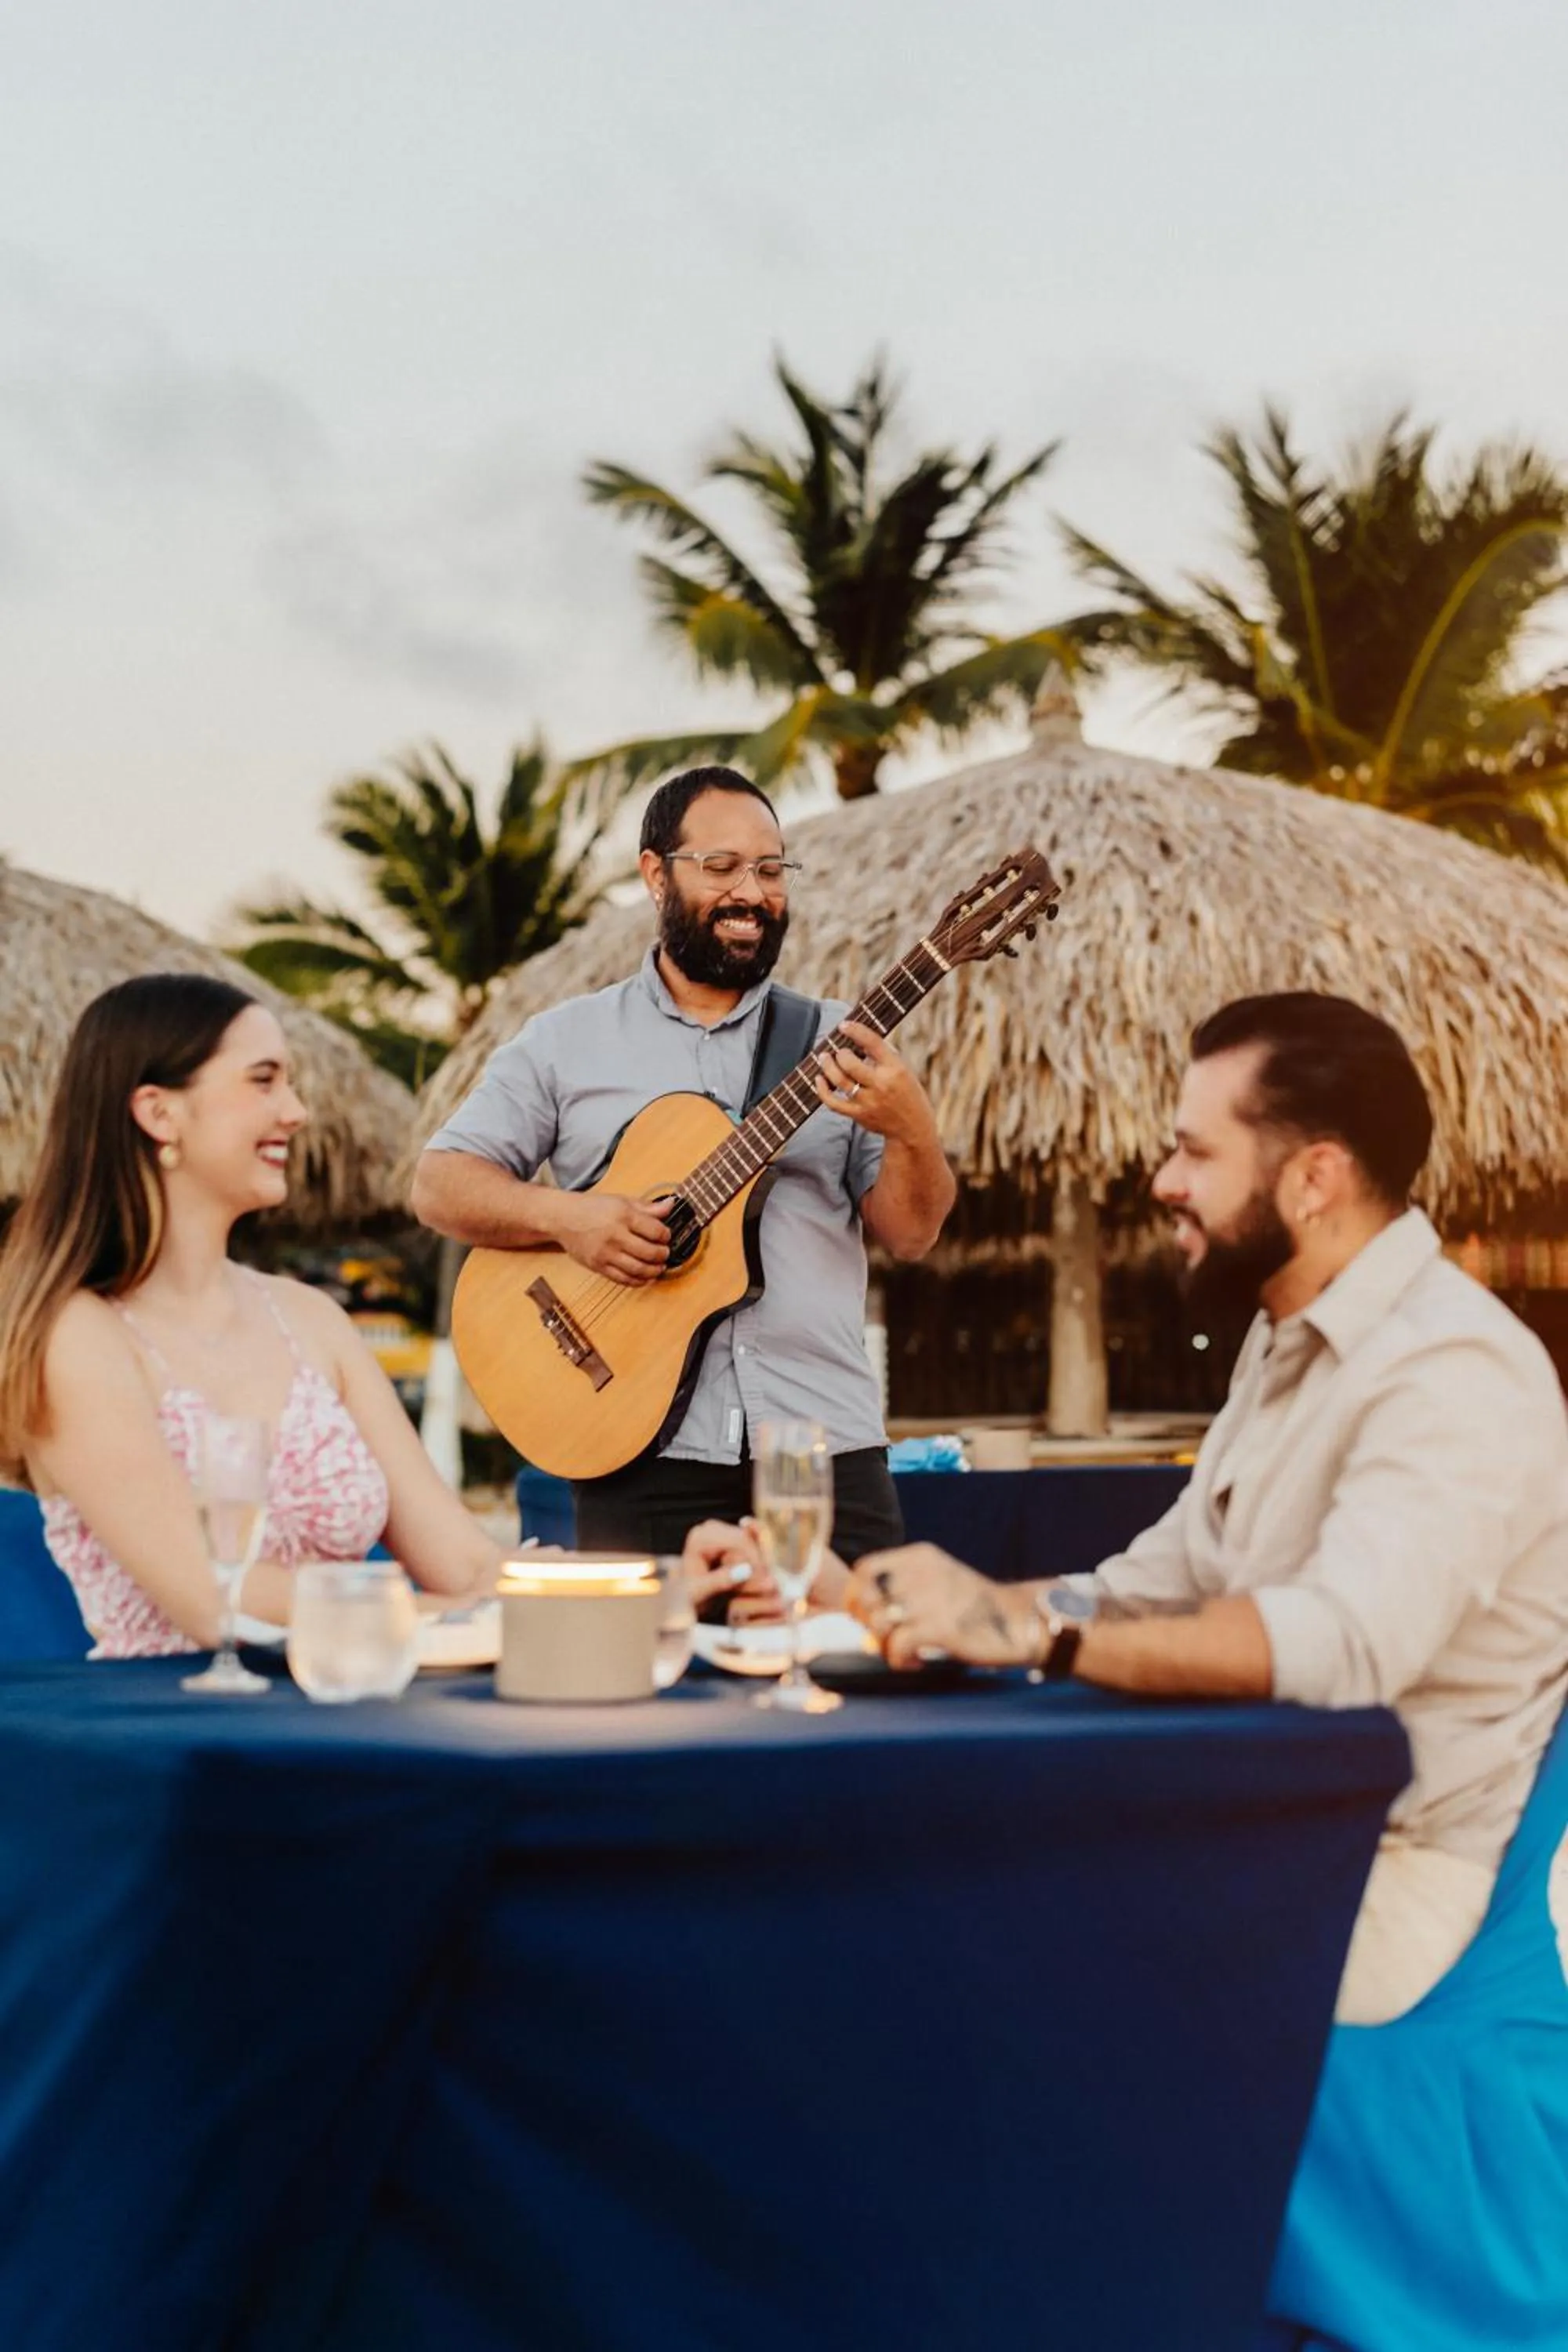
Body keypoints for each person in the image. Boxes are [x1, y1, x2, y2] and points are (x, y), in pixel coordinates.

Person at [846, 993, 1568, 2026]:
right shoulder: (1283, 1336)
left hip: (1388, 1877)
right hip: (1265, 1812)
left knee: (987, 1959)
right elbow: (1151, 1587)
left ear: (1314, 1178)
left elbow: (1339, 1647)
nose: (1163, 1181)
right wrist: (905, 1604)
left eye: (1196, 1153)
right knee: (933, 1877)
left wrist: (1032, 1636)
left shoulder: (1452, 1370)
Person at [0, 974, 759, 1657]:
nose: (295, 1113)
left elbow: (465, 1562)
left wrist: (651, 1586)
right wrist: (456, 1617)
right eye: (263, 1081)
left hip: (351, 1710)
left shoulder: (309, 1320)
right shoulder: (76, 1336)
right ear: (158, 1111)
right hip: (177, 1743)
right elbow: (210, 1600)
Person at [412, 765, 956, 1561]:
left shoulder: (841, 1043)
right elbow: (439, 1184)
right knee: (647, 1675)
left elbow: (911, 1233)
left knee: (851, 1665)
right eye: (721, 866)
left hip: (820, 1450)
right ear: (654, 875)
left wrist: (912, 1130)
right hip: (632, 1446)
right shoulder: (566, 1041)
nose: (752, 892)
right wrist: (570, 1220)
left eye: (771, 870)